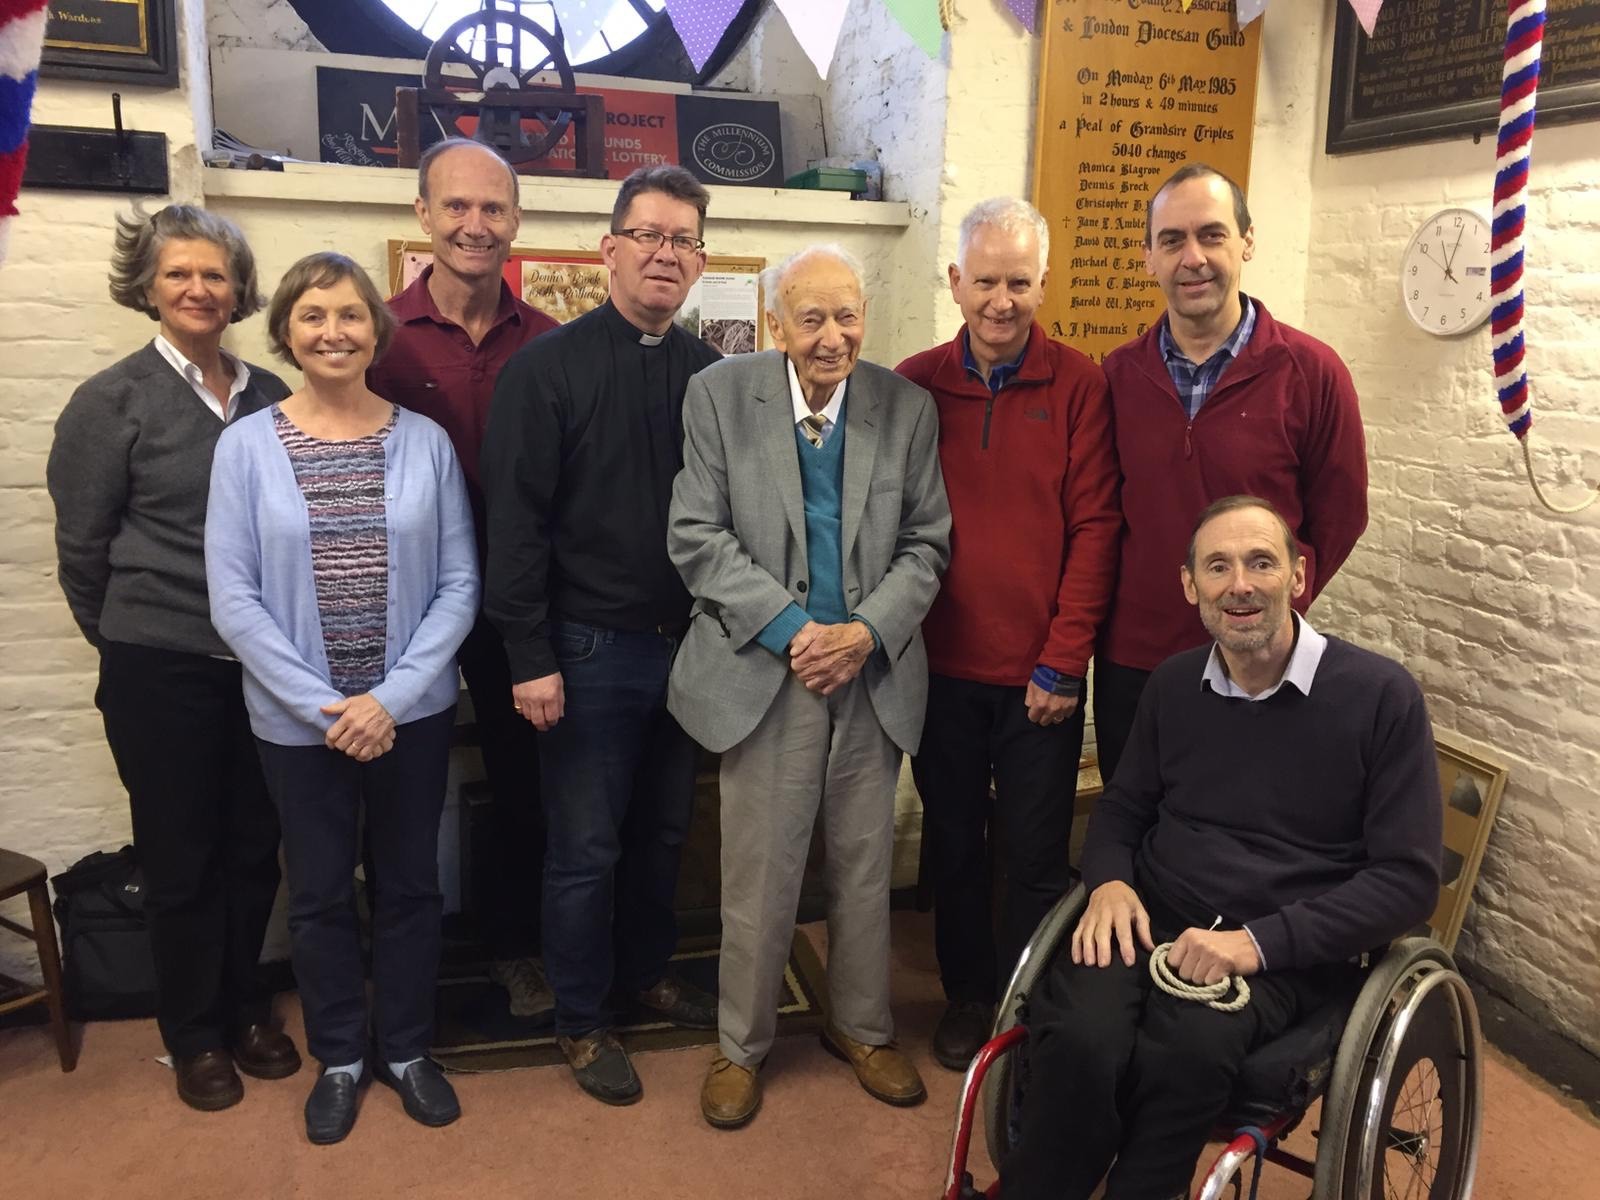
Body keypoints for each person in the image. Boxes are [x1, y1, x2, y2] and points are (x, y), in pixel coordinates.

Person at [1001, 495, 1441, 1200]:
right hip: (1150, 916)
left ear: (1299, 576)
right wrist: (1109, 882)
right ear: (1190, 586)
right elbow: (1124, 808)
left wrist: (1254, 945)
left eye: (1261, 562)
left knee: (1184, 1051)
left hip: (1281, 946)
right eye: (1218, 567)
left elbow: (1407, 881)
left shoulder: (1380, 698)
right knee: (1080, 1036)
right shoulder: (1174, 685)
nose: (1240, 584)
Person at [668, 244, 952, 1129]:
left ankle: (862, 1029)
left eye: (848, 316)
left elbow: (927, 544)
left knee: (865, 865)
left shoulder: (905, 407)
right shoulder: (720, 396)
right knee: (761, 870)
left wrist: (862, 633)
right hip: (770, 668)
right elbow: (697, 536)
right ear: (776, 322)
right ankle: (741, 1046)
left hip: (869, 669)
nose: (833, 337)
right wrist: (798, 632)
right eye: (812, 318)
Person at [205, 253, 478, 1144]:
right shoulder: (245, 447)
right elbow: (232, 597)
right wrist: (323, 704)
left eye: (351, 315)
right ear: (286, 332)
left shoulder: (425, 442)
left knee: (410, 887)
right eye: (314, 316)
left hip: (410, 716)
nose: (334, 332)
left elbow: (459, 585)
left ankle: (406, 1048)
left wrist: (388, 699)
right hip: (300, 727)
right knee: (319, 895)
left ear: (376, 330)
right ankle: (340, 1059)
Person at [46, 205, 301, 1112]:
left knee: (253, 849)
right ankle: (193, 1035)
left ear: (238, 290)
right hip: (160, 664)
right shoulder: (109, 402)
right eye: (178, 273)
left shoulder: (274, 395)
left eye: (214, 274)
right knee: (181, 857)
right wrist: (131, 640)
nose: (198, 289)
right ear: (148, 287)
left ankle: (244, 1009)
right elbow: (83, 553)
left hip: (264, 666)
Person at [480, 165, 722, 1105]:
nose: (666, 253)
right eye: (649, 235)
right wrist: (529, 657)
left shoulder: (711, 376)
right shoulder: (545, 370)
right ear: (609, 248)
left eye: (683, 239)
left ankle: (646, 973)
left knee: (664, 833)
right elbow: (514, 527)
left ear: (700, 261)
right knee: (584, 848)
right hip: (585, 650)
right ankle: (582, 1019)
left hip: (688, 647)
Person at [895, 197, 1120, 1071]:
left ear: (1043, 283)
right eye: (985, 281)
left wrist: (1064, 661)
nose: (1001, 301)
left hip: (1040, 677)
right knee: (954, 843)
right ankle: (967, 996)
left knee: (1031, 854)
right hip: (937, 670)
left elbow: (1096, 528)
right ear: (956, 281)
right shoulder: (913, 383)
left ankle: (1022, 1002)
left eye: (1019, 283)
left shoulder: (1081, 385)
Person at [1094, 163, 1368, 785]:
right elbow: (1100, 516)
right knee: (1135, 819)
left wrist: (1267, 606)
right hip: (1135, 663)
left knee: (1248, 825)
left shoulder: (1312, 373)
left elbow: (1341, 514)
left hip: (1259, 660)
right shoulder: (1116, 377)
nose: (1193, 258)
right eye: (1172, 240)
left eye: (1212, 235)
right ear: (1148, 257)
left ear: (1246, 241)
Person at [367, 137, 558, 1016]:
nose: (474, 225)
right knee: (393, 781)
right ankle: (391, 963)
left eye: (492, 208)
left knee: (527, 783)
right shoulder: (377, 338)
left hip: (518, 601)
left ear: (516, 220)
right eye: (456, 206)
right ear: (422, 214)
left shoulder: (550, 343)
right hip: (406, 603)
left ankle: (517, 948)